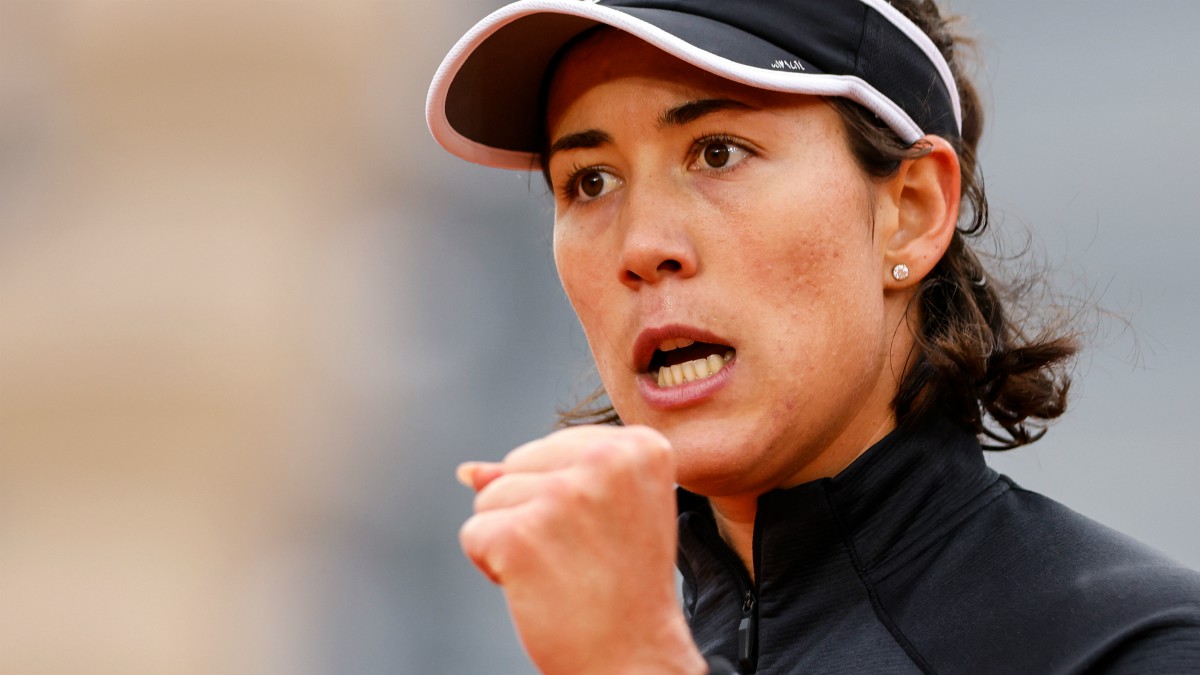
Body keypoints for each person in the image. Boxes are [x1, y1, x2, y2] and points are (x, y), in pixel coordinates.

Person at [426, 1, 1200, 672]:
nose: (641, 246)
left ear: (913, 209)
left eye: (718, 152)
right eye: (589, 181)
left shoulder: (1135, 650)